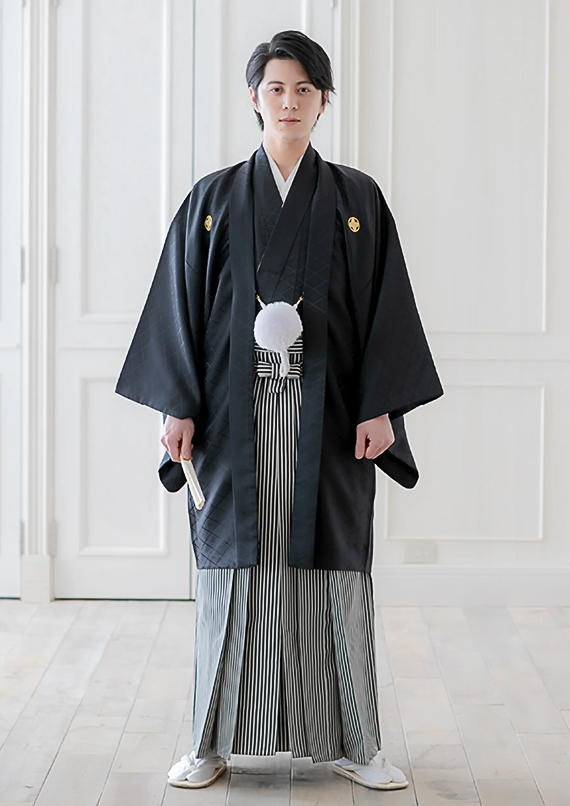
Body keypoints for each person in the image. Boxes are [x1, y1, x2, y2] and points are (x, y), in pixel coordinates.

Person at [115, 30, 444, 792]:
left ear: (324, 100)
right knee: (229, 577)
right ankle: (210, 742)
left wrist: (381, 407)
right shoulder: (212, 201)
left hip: (330, 417)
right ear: (253, 98)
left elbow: (385, 311)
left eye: (304, 89)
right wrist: (176, 405)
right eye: (275, 88)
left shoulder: (357, 201)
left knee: (335, 571)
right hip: (230, 418)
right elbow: (179, 311)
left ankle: (355, 742)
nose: (289, 102)